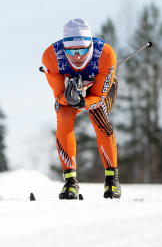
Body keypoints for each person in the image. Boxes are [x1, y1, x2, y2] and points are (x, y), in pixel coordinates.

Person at [41, 18, 121, 200]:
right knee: (64, 118)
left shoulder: (106, 54)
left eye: (83, 50)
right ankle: (70, 182)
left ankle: (112, 180)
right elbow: (58, 95)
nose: (77, 56)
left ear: (90, 45)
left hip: (97, 90)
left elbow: (100, 96)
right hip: (70, 93)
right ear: (64, 47)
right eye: (71, 51)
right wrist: (70, 98)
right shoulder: (51, 56)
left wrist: (83, 102)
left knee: (99, 117)